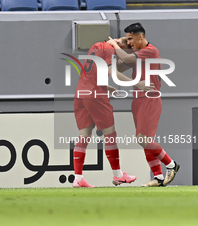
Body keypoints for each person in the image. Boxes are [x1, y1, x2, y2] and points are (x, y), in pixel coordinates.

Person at [73, 38, 154, 188]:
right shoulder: (110, 50)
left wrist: (106, 86)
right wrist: (138, 84)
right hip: (95, 94)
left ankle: (78, 178)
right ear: (122, 45)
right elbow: (113, 72)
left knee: (84, 135)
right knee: (110, 134)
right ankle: (118, 176)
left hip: (80, 93)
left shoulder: (95, 45)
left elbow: (92, 72)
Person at [107, 23, 180, 187]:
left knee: (142, 139)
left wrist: (113, 45)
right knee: (145, 140)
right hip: (138, 100)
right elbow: (117, 68)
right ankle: (158, 177)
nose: (130, 43)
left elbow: (125, 59)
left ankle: (171, 165)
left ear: (140, 36)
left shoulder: (151, 51)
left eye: (131, 39)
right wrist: (117, 48)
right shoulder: (137, 55)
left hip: (150, 99)